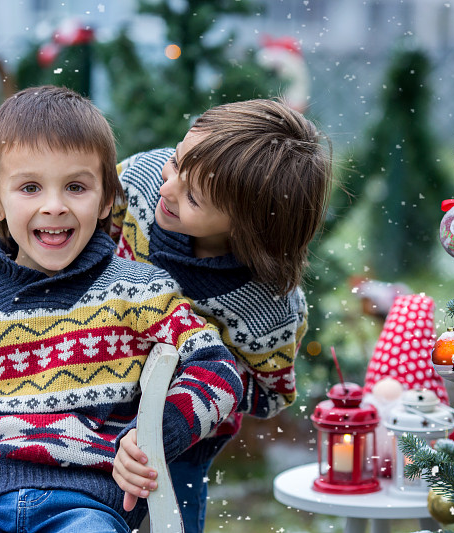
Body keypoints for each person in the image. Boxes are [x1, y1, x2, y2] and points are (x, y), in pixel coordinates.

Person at [0, 85, 242, 533]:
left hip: (84, 503)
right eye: (30, 187)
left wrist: (154, 436)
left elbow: (218, 367)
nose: (54, 207)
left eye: (75, 186)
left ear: (106, 198)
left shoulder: (137, 294)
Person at [109, 99, 333, 532]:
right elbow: (78, 229)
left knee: (170, 520)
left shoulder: (268, 308)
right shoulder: (135, 185)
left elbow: (271, 394)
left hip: (183, 446)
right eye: (176, 161)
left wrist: (194, 373)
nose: (167, 187)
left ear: (247, 227)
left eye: (191, 196)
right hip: (91, 398)